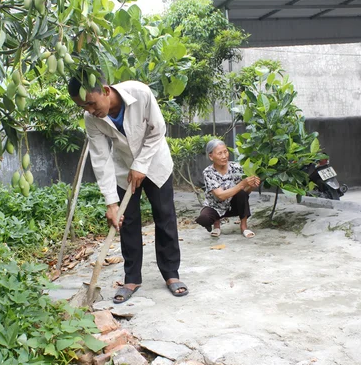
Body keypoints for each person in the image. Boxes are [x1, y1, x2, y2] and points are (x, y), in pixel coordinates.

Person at [68, 75, 188, 304]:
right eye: (83, 106)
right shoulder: (91, 119)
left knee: (165, 217)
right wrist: (111, 203)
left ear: (104, 90)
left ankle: (171, 274)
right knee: (128, 222)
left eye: (92, 103)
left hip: (155, 162)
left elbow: (158, 129)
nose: (90, 110)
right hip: (124, 168)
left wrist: (141, 165)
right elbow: (101, 159)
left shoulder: (139, 93)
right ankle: (132, 278)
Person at [196, 139, 260, 238]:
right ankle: (216, 224)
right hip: (215, 207)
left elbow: (245, 193)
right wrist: (242, 184)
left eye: (225, 152)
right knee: (203, 219)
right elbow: (220, 196)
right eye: (220, 153)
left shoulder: (236, 167)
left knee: (241, 194)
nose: (224, 156)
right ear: (211, 156)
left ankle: (244, 226)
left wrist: (252, 186)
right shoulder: (208, 172)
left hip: (232, 205)